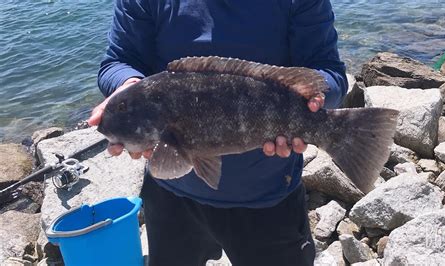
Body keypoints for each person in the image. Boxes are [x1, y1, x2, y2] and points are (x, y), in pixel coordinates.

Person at [88, 0, 348, 265]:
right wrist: (128, 85)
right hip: (171, 197)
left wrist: (311, 96)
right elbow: (119, 61)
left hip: (266, 195)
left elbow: (330, 74)